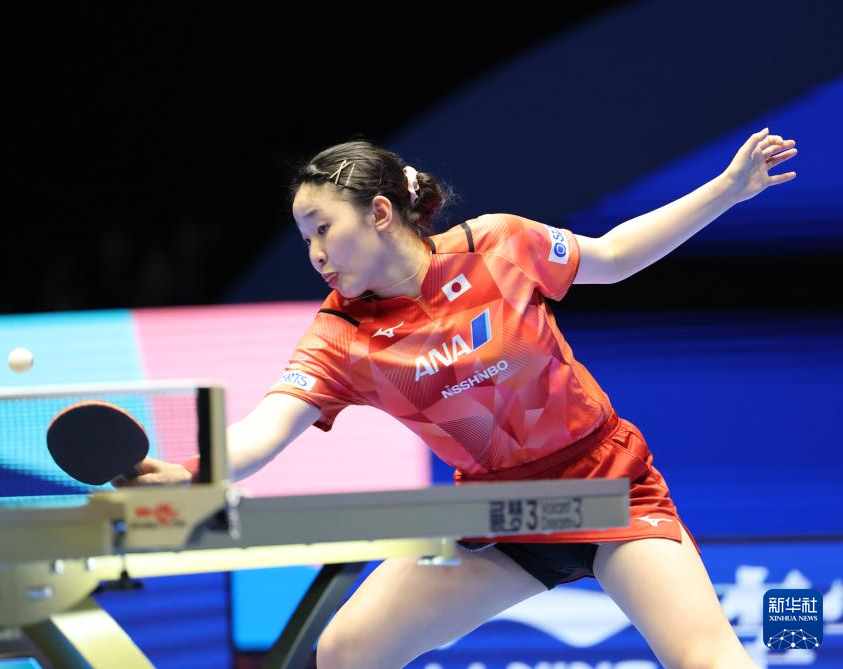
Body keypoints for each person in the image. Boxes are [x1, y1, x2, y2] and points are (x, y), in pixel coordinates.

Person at [116, 128, 797, 668]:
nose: (315, 253)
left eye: (323, 228)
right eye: (305, 239)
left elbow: (614, 257)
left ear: (380, 212)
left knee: (707, 658)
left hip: (610, 486)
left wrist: (727, 190)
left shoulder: (497, 244)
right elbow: (266, 429)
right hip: (499, 517)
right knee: (347, 653)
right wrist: (189, 472)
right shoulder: (342, 334)